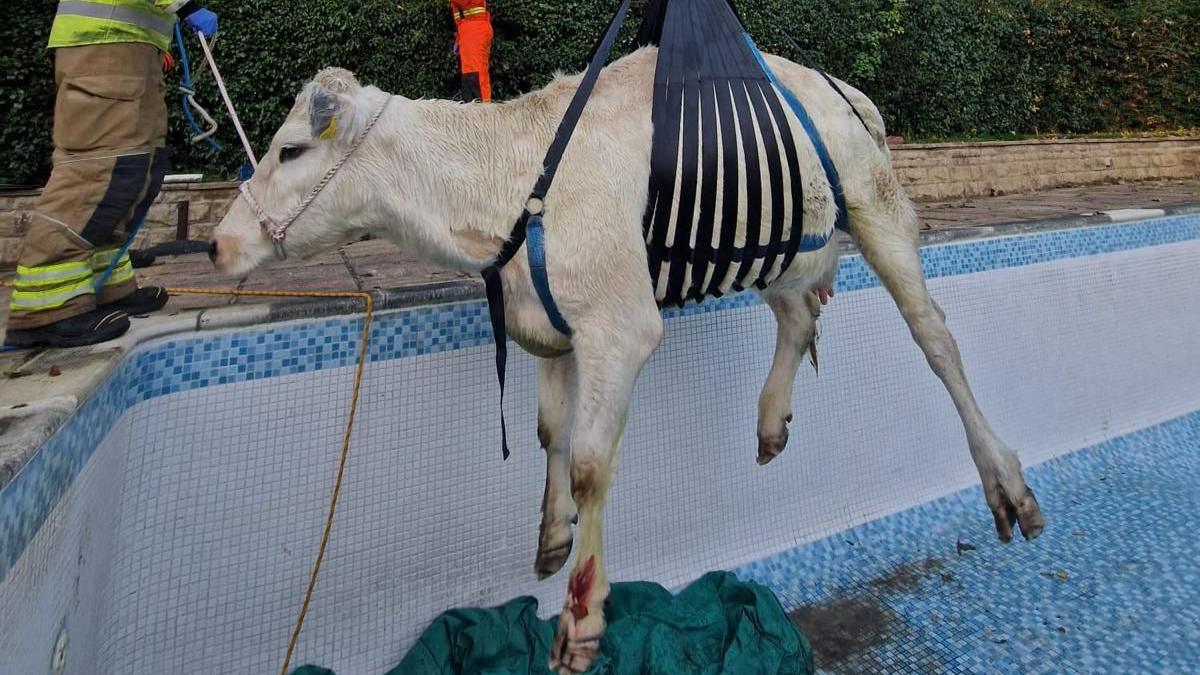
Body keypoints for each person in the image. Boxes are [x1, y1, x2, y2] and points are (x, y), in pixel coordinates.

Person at [5, 1, 219, 349]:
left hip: (128, 47)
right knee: (97, 170)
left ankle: (109, 289)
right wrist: (187, 6)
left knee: (134, 170)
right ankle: (46, 310)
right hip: (102, 46)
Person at [449, 0, 493, 102]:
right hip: (468, 30)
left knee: (476, 73)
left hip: (475, 29)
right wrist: (459, 39)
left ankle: (482, 109)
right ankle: (472, 107)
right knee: (470, 74)